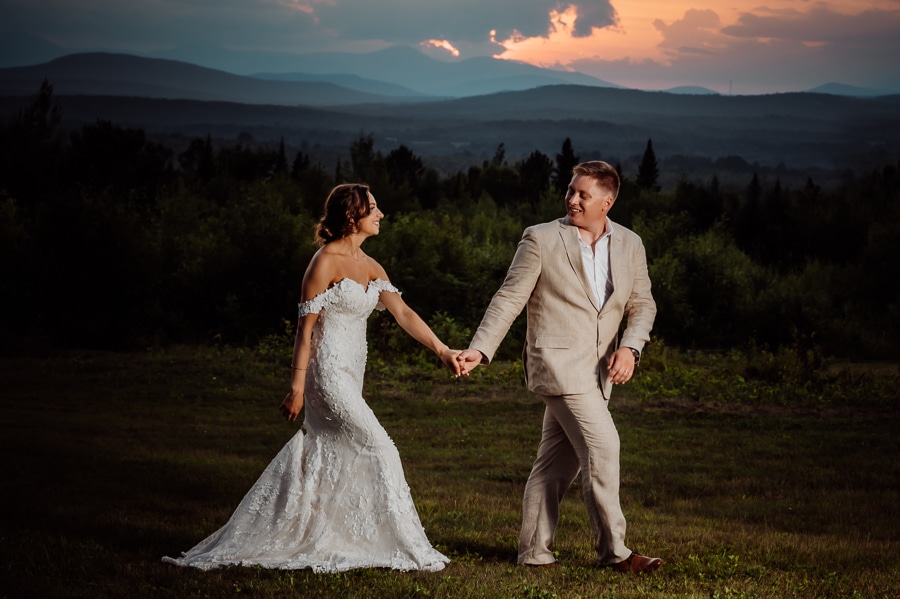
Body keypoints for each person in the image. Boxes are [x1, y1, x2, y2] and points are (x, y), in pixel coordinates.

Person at [164, 183, 460, 572]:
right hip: (328, 373)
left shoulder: (371, 265)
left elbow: (403, 314)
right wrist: (297, 388)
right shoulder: (323, 263)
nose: (381, 214)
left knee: (332, 449)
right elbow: (304, 333)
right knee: (380, 447)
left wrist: (442, 350)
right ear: (352, 216)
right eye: (374, 208)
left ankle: (325, 531)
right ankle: (405, 544)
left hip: (354, 371)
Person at [456, 161, 661, 572]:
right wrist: (481, 349)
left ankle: (534, 552)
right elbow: (509, 298)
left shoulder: (630, 244)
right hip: (556, 363)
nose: (572, 199)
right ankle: (614, 553)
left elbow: (643, 305)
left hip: (599, 372)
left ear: (606, 202)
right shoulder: (541, 238)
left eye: (583, 194)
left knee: (554, 465)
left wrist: (631, 348)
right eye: (570, 190)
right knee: (604, 446)